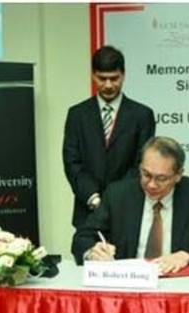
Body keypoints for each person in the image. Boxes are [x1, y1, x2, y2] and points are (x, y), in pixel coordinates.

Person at [74, 136, 189, 274]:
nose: (152, 185)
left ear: (179, 175)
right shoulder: (118, 194)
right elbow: (83, 237)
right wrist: (92, 252)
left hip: (177, 282)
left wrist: (186, 255)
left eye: (161, 178)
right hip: (128, 282)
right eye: (146, 174)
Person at [63, 45, 156, 239]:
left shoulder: (142, 115)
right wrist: (94, 198)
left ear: (124, 75)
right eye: (101, 78)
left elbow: (142, 164)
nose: (107, 85)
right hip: (87, 213)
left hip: (128, 210)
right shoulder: (77, 115)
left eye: (114, 78)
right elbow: (72, 162)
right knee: (88, 265)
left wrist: (114, 199)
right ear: (93, 75)